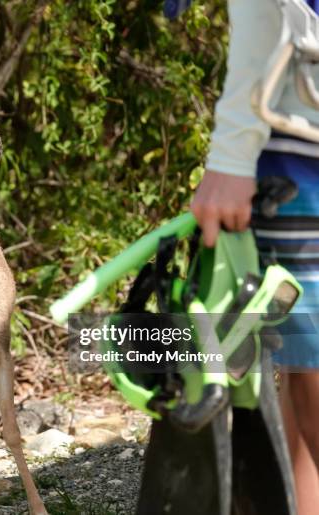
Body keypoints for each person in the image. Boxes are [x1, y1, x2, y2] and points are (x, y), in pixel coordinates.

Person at [191, 1, 319, 513]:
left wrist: (230, 157)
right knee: (292, 369)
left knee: (309, 380)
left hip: (299, 145)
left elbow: (268, 11)